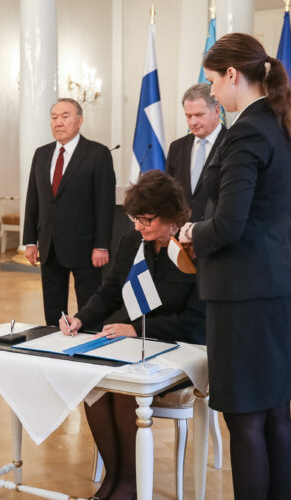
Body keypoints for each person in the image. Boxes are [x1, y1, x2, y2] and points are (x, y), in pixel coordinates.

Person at [178, 33, 291, 500]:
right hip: (279, 285)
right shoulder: (280, 121)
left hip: (245, 293)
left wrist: (193, 233)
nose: (211, 92)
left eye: (213, 81)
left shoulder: (249, 130)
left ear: (233, 75)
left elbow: (229, 224)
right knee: (275, 414)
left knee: (247, 418)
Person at [60, 170, 205, 500]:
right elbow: (110, 293)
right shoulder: (133, 241)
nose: (139, 227)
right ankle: (115, 477)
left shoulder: (195, 247)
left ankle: (129, 483)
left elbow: (195, 322)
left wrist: (137, 330)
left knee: (125, 389)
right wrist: (80, 319)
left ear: (171, 216)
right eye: (135, 218)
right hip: (133, 344)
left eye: (147, 220)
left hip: (181, 347)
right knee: (95, 386)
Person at [23, 97, 115, 326]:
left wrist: (101, 245)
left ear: (80, 120)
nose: (59, 123)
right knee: (53, 309)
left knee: (90, 307)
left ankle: (90, 348)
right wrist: (30, 241)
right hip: (49, 245)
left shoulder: (97, 153)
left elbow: (104, 203)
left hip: (86, 247)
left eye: (65, 116)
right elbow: (33, 200)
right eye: (54, 118)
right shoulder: (41, 154)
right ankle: (54, 345)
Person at [165, 83, 226, 222]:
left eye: (199, 115)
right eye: (188, 116)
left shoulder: (232, 144)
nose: (193, 122)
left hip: (215, 232)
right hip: (180, 232)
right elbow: (169, 191)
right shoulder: (177, 147)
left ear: (217, 111)